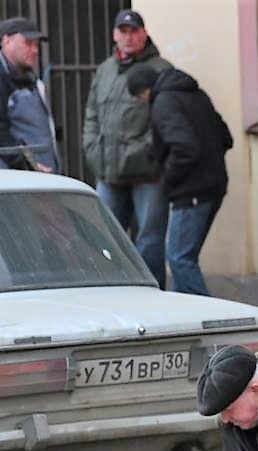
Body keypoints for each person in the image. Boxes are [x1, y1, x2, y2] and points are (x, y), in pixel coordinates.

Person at [82, 10, 172, 287]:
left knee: (149, 239)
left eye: (134, 31)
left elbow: (165, 120)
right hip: (108, 171)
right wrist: (92, 148)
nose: (128, 37)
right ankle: (113, 293)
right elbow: (91, 115)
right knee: (105, 239)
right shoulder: (105, 69)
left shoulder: (161, 69)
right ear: (114, 35)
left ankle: (152, 295)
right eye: (123, 31)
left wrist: (143, 152)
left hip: (148, 173)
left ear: (144, 34)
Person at [126, 64, 232, 297]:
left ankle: (214, 316)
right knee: (186, 258)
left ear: (144, 93)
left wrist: (168, 179)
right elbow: (226, 137)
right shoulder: (196, 94)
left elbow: (185, 147)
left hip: (191, 190)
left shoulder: (163, 104)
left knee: (179, 258)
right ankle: (186, 314)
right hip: (215, 185)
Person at [0, 17, 59, 173]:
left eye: (36, 44)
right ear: (7, 41)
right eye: (28, 43)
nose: (35, 50)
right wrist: (27, 165)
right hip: (16, 180)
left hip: (33, 176)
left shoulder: (22, 72)